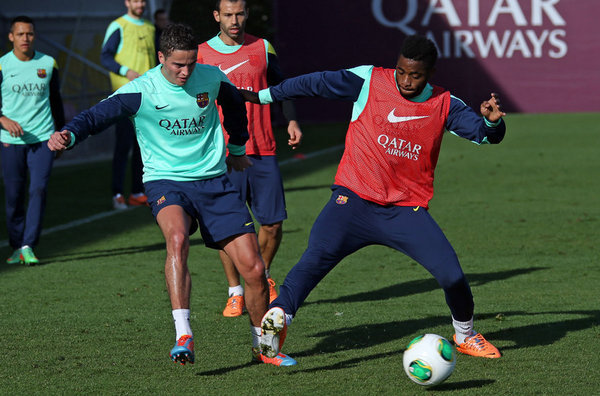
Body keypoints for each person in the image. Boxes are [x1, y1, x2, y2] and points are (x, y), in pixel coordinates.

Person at [243, 34, 506, 361]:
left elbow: (483, 134)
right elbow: (316, 83)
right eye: (401, 72)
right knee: (313, 260)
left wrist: (492, 124)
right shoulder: (369, 79)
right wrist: (264, 96)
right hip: (351, 203)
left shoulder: (445, 104)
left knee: (452, 276)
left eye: (416, 75)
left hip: (404, 212)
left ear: (431, 73)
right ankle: (279, 318)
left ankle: (465, 335)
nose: (406, 81)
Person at [48, 23, 296, 367]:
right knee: (177, 238)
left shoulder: (212, 78)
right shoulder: (141, 90)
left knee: (254, 270)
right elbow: (94, 117)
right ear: (161, 57)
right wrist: (68, 135)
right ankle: (183, 333)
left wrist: (237, 146)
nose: (185, 71)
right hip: (166, 182)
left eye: (191, 63)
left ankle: (263, 348)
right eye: (178, 64)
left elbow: (236, 109)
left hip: (214, 182)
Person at [197, 0, 303, 317]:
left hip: (263, 149)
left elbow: (280, 86)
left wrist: (292, 120)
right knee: (227, 228)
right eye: (227, 14)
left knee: (272, 223)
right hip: (221, 154)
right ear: (217, 16)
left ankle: (261, 275)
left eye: (239, 13)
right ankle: (235, 291)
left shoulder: (262, 46)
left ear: (247, 14)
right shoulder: (202, 54)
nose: (234, 20)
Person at [0, 16, 65, 265]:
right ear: (11, 37)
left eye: (29, 34)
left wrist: (62, 133)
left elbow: (56, 101)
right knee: (14, 196)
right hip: (11, 141)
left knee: (38, 189)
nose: (25, 38)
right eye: (20, 34)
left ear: (34, 36)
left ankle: (28, 245)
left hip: (43, 138)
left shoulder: (48, 63)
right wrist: (2, 119)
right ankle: (16, 246)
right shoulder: (2, 65)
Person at [101, 0, 156, 209]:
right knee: (123, 147)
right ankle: (116, 194)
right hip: (124, 97)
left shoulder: (150, 28)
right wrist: (126, 71)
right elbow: (105, 57)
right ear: (127, 2)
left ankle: (136, 192)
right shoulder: (118, 26)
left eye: (142, 0)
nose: (140, 4)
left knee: (143, 147)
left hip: (147, 97)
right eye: (135, 0)